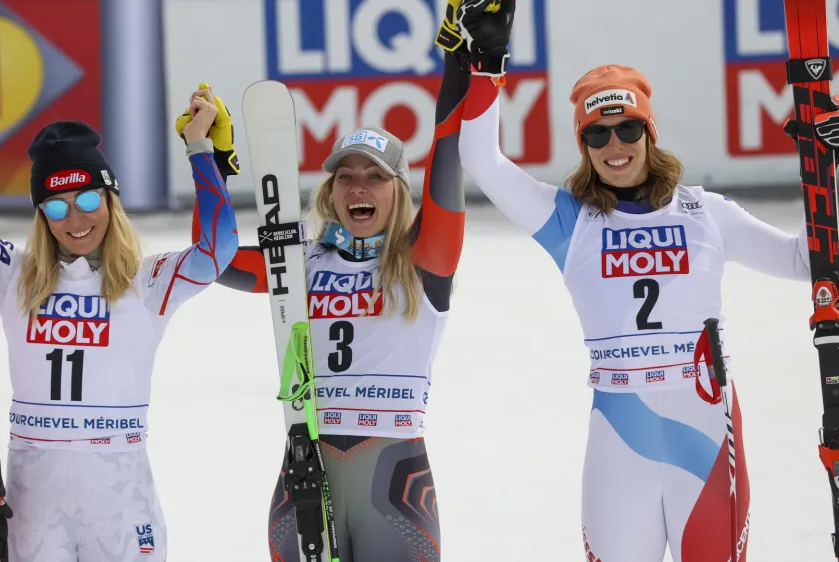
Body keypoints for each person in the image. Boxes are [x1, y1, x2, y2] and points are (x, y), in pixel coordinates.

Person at [453, 1, 810, 561]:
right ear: (583, 145)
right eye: (597, 135)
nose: (614, 146)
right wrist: (488, 68)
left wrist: (826, 174)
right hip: (621, 435)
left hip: (705, 426)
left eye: (626, 129)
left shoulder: (705, 212)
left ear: (650, 131)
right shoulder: (568, 221)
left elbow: (802, 262)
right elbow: (481, 160)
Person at [0, 69, 239, 561]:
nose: (76, 220)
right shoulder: (14, 271)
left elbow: (218, 248)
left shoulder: (147, 281)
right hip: (35, 494)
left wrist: (202, 150)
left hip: (119, 495)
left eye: (90, 200)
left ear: (112, 201)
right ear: (40, 216)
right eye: (56, 208)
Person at [174, 13, 471, 562]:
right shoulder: (300, 260)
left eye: (376, 176)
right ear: (331, 190)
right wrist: (206, 156)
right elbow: (211, 259)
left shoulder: (423, 259)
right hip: (305, 467)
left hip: (392, 479)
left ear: (399, 191)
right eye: (345, 175)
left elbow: (450, 155)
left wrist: (461, 60)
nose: (359, 186)